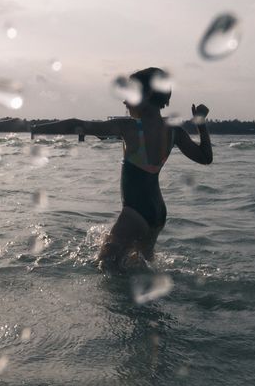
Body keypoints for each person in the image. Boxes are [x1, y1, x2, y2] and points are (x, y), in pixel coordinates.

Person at [31, 67, 211, 271]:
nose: (125, 101)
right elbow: (205, 158)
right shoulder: (174, 131)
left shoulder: (129, 128)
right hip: (157, 213)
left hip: (135, 212)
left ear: (148, 94)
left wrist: (37, 129)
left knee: (103, 267)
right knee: (142, 271)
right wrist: (201, 124)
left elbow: (77, 125)